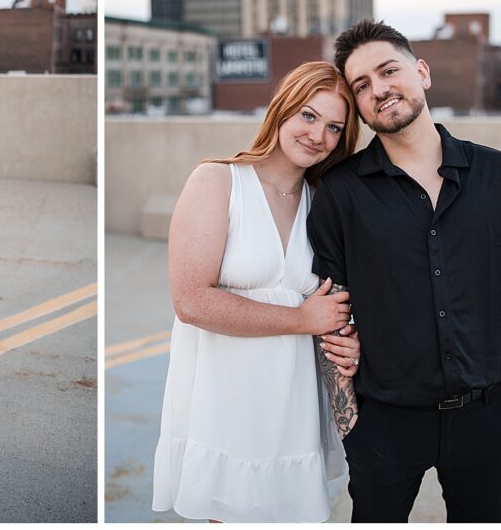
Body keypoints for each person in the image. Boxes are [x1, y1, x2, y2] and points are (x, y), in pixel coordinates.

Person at [308, 19, 501, 522]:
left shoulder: (498, 173)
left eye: (388, 70)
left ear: (421, 72)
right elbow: (329, 309)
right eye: (361, 85)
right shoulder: (340, 191)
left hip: (486, 417)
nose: (379, 89)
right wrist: (350, 422)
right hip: (382, 424)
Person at [152, 61, 364, 523]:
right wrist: (301, 319)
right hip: (225, 394)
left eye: (334, 127)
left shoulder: (322, 202)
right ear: (282, 109)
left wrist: (348, 340)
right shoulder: (218, 181)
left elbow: (335, 302)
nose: (318, 136)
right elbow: (190, 301)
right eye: (308, 116)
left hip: (293, 401)